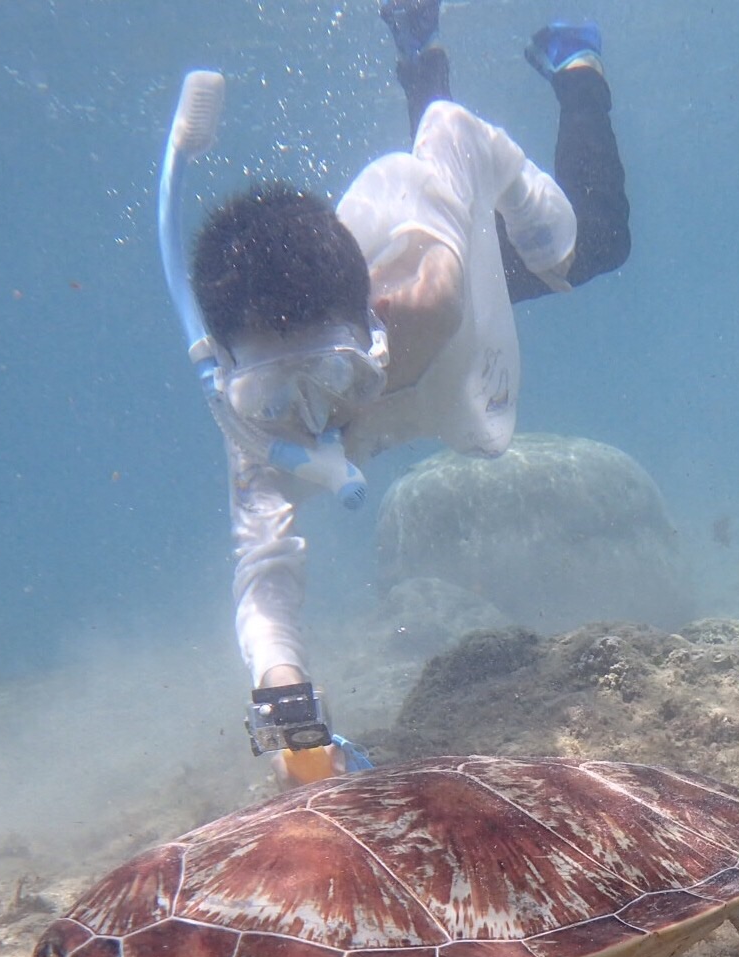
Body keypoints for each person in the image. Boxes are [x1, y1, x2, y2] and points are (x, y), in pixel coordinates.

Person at [169, 1, 630, 783]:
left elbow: (460, 141)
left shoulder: (427, 289)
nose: (317, 420)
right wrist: (280, 681)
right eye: (280, 396)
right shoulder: (247, 418)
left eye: (336, 379)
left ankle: (572, 63)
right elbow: (263, 567)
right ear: (225, 370)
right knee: (446, 185)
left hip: (473, 243)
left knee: (598, 245)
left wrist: (538, 230)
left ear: (373, 322)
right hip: (389, 284)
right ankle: (419, 46)